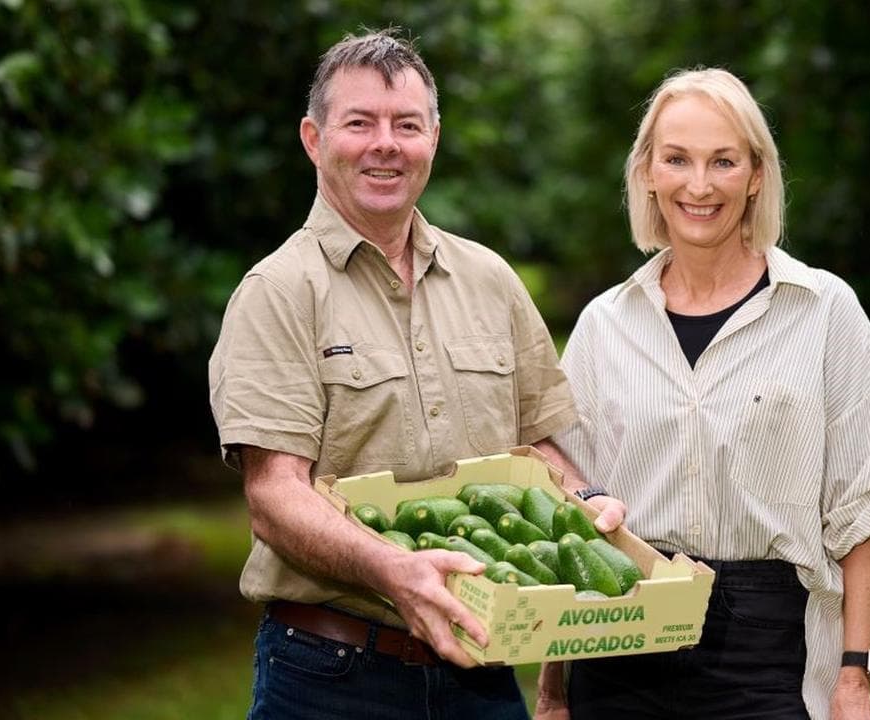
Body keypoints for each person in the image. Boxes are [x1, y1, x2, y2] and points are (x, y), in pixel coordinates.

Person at [208, 29, 623, 720]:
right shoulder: (279, 291)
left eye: (407, 125)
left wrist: (586, 503)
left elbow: (539, 452)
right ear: (314, 139)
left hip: (484, 670)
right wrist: (394, 572)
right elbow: (274, 496)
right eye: (360, 123)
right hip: (332, 674)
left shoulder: (490, 280)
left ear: (434, 137)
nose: (385, 144)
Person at [535, 68, 870, 720]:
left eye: (723, 161)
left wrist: (855, 676)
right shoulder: (604, 324)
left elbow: (863, 510)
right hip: (622, 634)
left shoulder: (824, 313)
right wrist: (552, 688)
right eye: (677, 159)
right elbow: (567, 505)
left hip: (768, 653)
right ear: (647, 172)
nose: (700, 185)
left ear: (757, 174)